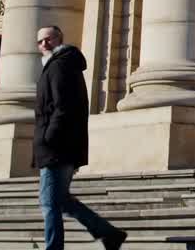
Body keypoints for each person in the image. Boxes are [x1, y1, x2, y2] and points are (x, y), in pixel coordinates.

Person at [34, 25, 126, 250]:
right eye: (40, 41)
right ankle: (109, 233)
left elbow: (62, 107)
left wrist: (49, 138)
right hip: (64, 145)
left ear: (59, 39)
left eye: (49, 39)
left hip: (56, 147)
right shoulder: (63, 64)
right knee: (61, 200)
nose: (44, 44)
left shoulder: (59, 66)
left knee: (49, 203)